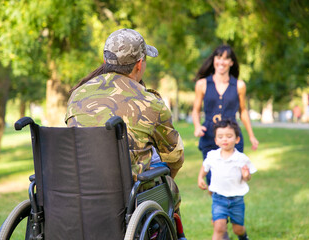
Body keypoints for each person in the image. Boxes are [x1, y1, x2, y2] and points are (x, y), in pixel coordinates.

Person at [65, 29, 186, 238]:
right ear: (139, 64)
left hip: (77, 191)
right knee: (170, 187)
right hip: (128, 197)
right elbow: (174, 157)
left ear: (105, 59)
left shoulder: (78, 95)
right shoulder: (149, 102)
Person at [192, 44, 259, 187]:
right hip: (209, 136)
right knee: (212, 181)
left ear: (231, 62)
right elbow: (196, 110)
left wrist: (251, 136)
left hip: (232, 135)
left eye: (226, 59)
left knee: (233, 178)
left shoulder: (239, 85)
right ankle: (218, 208)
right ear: (214, 60)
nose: (221, 62)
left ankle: (231, 207)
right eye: (219, 57)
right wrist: (197, 126)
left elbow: (243, 111)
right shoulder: (202, 84)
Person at [198, 119, 256, 240]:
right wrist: (200, 177)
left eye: (229, 136)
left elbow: (248, 177)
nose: (225, 139)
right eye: (220, 136)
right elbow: (205, 166)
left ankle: (243, 236)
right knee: (219, 227)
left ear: (237, 139)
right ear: (216, 140)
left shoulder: (241, 158)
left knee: (238, 229)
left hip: (236, 200)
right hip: (218, 198)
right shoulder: (212, 155)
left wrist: (246, 175)